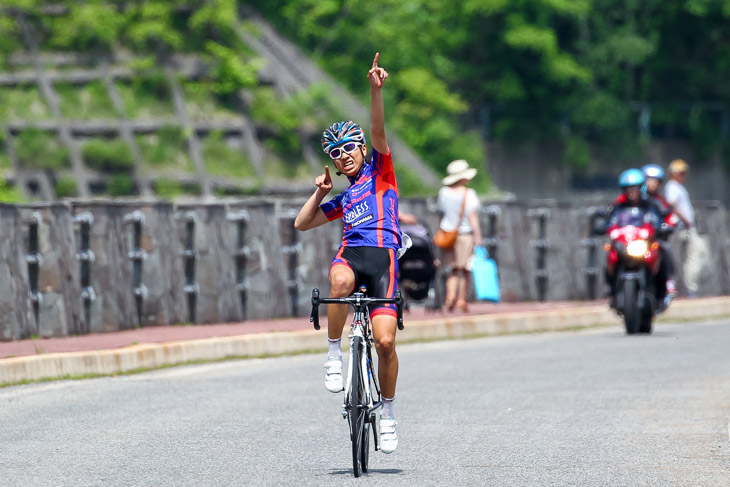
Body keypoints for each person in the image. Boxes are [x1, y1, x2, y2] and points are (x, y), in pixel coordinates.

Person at [293, 53, 401, 454]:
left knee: (386, 343)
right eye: (336, 153)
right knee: (337, 280)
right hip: (353, 257)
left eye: (350, 148)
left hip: (384, 259)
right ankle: (334, 353)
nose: (345, 155)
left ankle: (387, 412)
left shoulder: (380, 171)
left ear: (360, 148)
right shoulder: (342, 197)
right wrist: (320, 192)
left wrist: (375, 92)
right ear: (334, 163)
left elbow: (378, 129)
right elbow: (302, 223)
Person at [605, 169, 663, 303]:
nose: (631, 191)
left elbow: (657, 221)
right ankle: (611, 287)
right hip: (623, 245)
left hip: (643, 245)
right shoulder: (618, 206)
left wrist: (659, 228)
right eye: (628, 188)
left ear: (641, 188)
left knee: (660, 257)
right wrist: (608, 228)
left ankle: (661, 292)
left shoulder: (650, 205)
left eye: (635, 188)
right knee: (610, 256)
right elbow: (610, 222)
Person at [437, 159, 482, 312]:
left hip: (448, 235)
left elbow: (441, 211)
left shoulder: (444, 193)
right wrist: (478, 237)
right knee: (465, 269)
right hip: (464, 235)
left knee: (452, 269)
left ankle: (450, 297)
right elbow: (473, 218)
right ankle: (461, 299)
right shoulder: (469, 194)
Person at [664, 159, 705, 297]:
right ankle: (683, 289)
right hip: (680, 228)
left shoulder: (678, 187)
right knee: (682, 258)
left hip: (685, 228)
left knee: (694, 256)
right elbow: (672, 206)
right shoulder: (672, 186)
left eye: (684, 172)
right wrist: (686, 220)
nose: (683, 175)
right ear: (673, 173)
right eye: (680, 172)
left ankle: (690, 288)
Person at [641, 163, 677, 299]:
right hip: (635, 238)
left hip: (653, 239)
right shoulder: (635, 199)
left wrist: (669, 224)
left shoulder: (659, 201)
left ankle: (668, 280)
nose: (653, 184)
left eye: (656, 181)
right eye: (650, 180)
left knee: (665, 249)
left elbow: (669, 216)